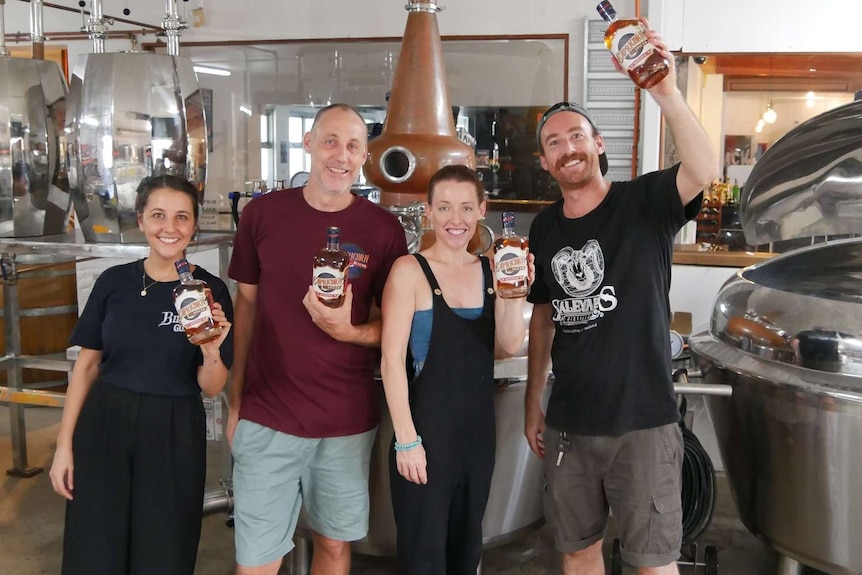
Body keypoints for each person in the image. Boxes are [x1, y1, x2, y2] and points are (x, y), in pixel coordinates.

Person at [523, 20, 719, 575]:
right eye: (554, 143)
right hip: (570, 424)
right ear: (545, 162)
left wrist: (667, 93)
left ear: (598, 143)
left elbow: (704, 169)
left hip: (645, 423)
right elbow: (543, 316)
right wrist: (532, 397)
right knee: (577, 553)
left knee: (653, 562)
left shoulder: (647, 201)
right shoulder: (543, 230)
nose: (567, 149)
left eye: (576, 136)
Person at [227, 103, 407, 575]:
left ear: (365, 155)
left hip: (346, 421)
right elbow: (245, 306)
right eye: (330, 141)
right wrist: (233, 401)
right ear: (307, 143)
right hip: (268, 414)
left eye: (352, 145)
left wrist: (350, 331)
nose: (340, 155)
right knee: (258, 559)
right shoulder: (263, 214)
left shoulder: (383, 229)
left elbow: (398, 323)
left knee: (333, 547)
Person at [48, 174, 234, 575]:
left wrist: (211, 351)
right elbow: (86, 366)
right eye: (159, 215)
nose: (170, 228)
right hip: (104, 424)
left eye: (182, 217)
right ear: (141, 220)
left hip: (173, 429)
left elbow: (213, 385)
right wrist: (65, 446)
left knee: (164, 547)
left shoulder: (209, 291)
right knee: (94, 545)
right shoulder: (114, 282)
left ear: (194, 224)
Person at [380, 164, 530, 575]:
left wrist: (513, 294)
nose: (455, 220)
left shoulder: (490, 269)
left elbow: (510, 343)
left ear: (482, 210)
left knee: (466, 554)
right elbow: (391, 360)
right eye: (444, 208)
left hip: (478, 439)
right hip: (426, 439)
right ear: (428, 211)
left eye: (466, 208)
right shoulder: (409, 271)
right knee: (424, 558)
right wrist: (407, 441)